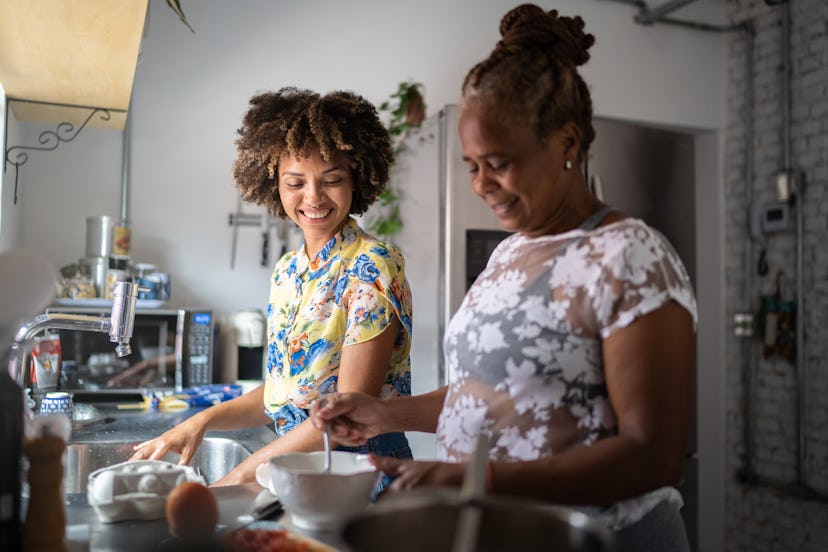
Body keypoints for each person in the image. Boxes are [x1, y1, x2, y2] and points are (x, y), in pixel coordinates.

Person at [310, 5, 696, 551]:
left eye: (499, 162)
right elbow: (487, 395)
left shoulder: (629, 256)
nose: (482, 184)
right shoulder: (510, 253)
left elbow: (652, 456)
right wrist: (383, 415)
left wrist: (478, 481)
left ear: (566, 144)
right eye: (472, 165)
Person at [131, 87, 414, 488]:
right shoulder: (287, 271)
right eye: (295, 182)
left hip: (361, 475)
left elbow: (347, 414)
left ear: (356, 180)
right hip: (297, 467)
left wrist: (241, 475)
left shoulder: (373, 265)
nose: (313, 197)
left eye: (331, 179)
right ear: (273, 185)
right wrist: (200, 421)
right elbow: (283, 393)